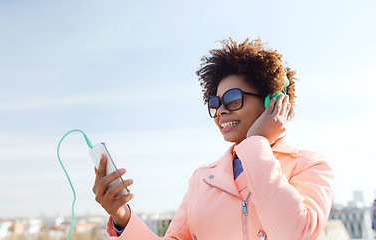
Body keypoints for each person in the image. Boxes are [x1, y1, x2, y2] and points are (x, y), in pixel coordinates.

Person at [92, 38, 334, 240]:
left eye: (233, 99)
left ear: (272, 101)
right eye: (215, 103)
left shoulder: (309, 165)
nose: (220, 111)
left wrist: (256, 141)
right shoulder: (201, 179)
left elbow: (293, 233)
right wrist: (123, 217)